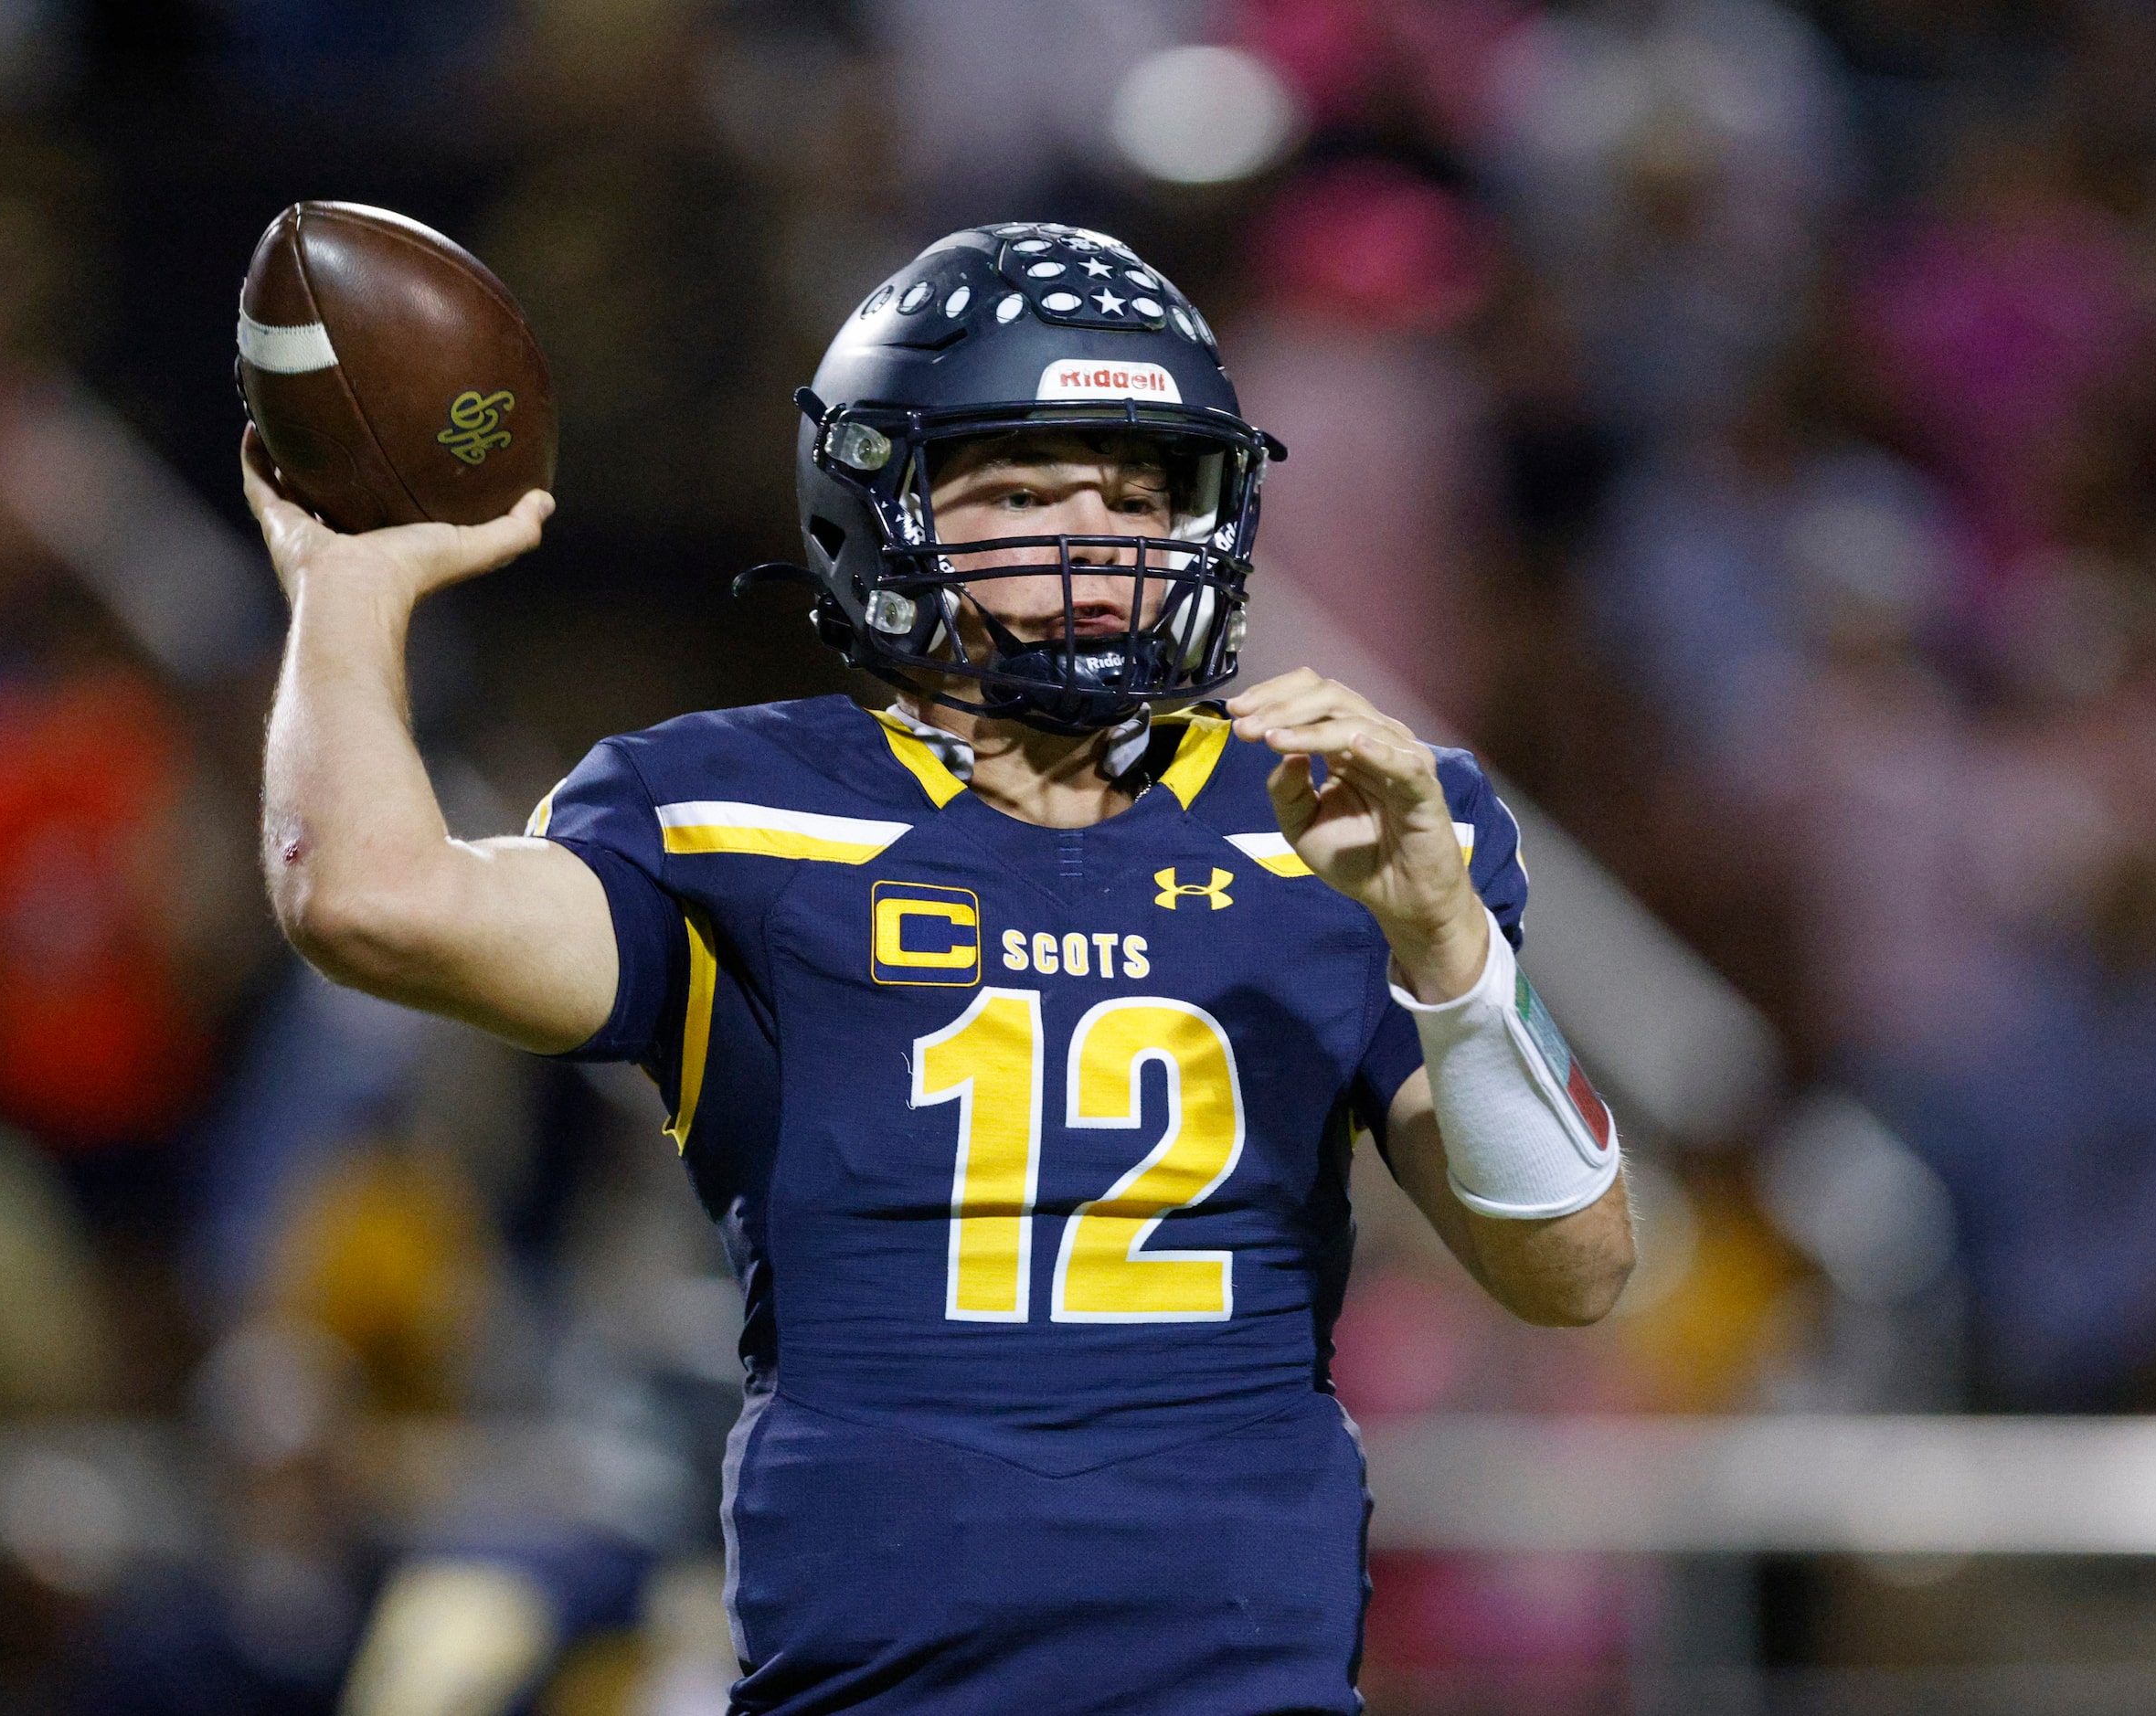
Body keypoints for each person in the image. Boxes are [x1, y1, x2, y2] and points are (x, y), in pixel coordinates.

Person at [243, 221, 1632, 1713]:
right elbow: (368, 899)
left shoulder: (1338, 817)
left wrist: (1448, 941)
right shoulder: (739, 810)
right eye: (1024, 489)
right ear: (878, 506)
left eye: (1142, 491)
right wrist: (351, 583)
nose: (1096, 540)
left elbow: (1573, 1266)